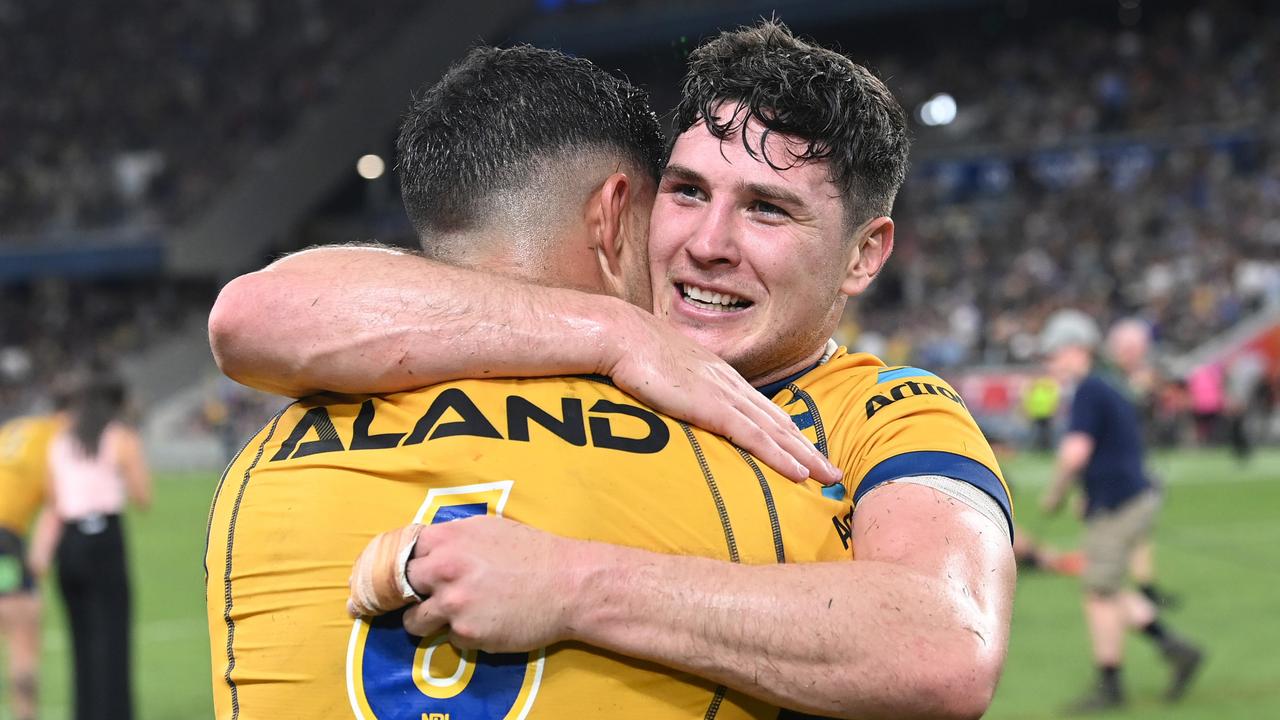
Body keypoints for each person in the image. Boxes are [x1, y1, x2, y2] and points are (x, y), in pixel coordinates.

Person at [211, 22, 1016, 718]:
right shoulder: (566, 344)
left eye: (768, 209)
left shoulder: (886, 411)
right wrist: (609, 330)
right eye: (689, 191)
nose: (708, 242)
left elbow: (943, 644)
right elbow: (259, 314)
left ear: (864, 255)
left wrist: (572, 586)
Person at [1038, 309, 1203, 713]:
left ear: (1077, 350)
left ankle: (1111, 684)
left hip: (1119, 504)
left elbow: (1077, 452)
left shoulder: (1089, 390)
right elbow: (1115, 448)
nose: (1051, 362)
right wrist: (1087, 494)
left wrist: (1056, 494)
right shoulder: (1107, 384)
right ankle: (1175, 648)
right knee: (1107, 586)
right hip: (1128, 498)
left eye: (1055, 353)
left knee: (1098, 593)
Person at [33, 371, 152, 720]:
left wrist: (40, 554)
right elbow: (143, 496)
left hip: (69, 545)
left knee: (81, 636)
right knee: (112, 633)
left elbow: (54, 504)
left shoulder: (61, 440)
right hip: (104, 538)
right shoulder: (119, 436)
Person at [0, 395, 68, 720]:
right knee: (23, 631)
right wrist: (39, 559)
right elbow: (58, 504)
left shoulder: (18, 428)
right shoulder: (58, 442)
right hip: (4, 541)